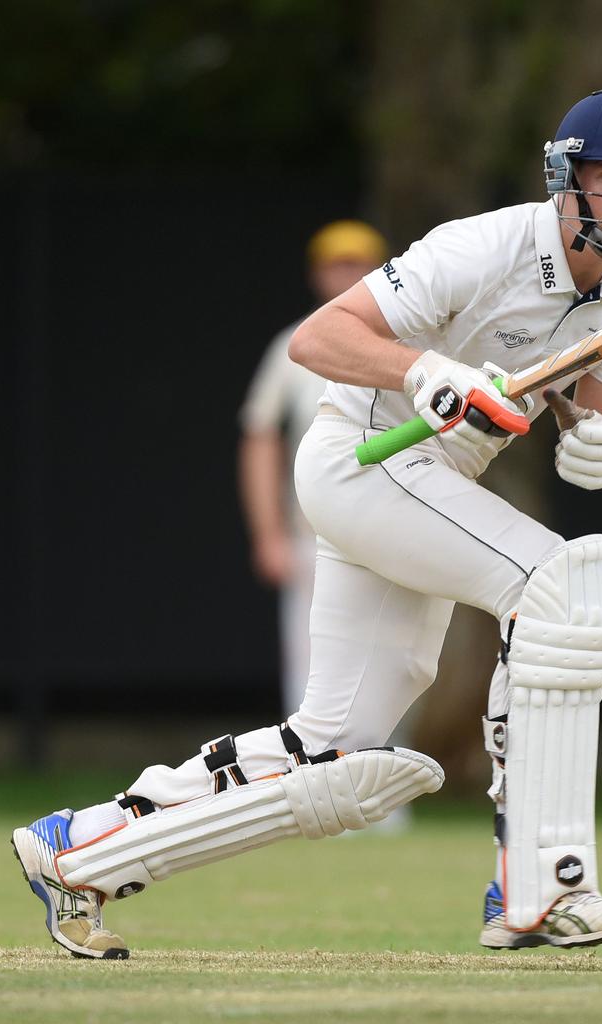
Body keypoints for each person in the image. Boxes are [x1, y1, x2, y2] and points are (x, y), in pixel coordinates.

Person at [12, 89, 602, 959]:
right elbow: (321, 340)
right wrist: (423, 374)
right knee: (558, 584)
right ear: (567, 178)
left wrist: (592, 439)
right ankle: (543, 887)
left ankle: (81, 848)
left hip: (433, 478)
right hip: (363, 457)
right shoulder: (480, 247)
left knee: (332, 751)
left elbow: (594, 405)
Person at [238, 221, 388, 717]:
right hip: (314, 537)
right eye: (336, 265)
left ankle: (386, 795)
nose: (347, 274)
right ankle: (308, 789)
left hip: (390, 531)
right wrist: (269, 534)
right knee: (309, 676)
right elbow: (260, 435)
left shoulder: (403, 339)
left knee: (387, 666)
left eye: (358, 263)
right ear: (317, 274)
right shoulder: (294, 344)